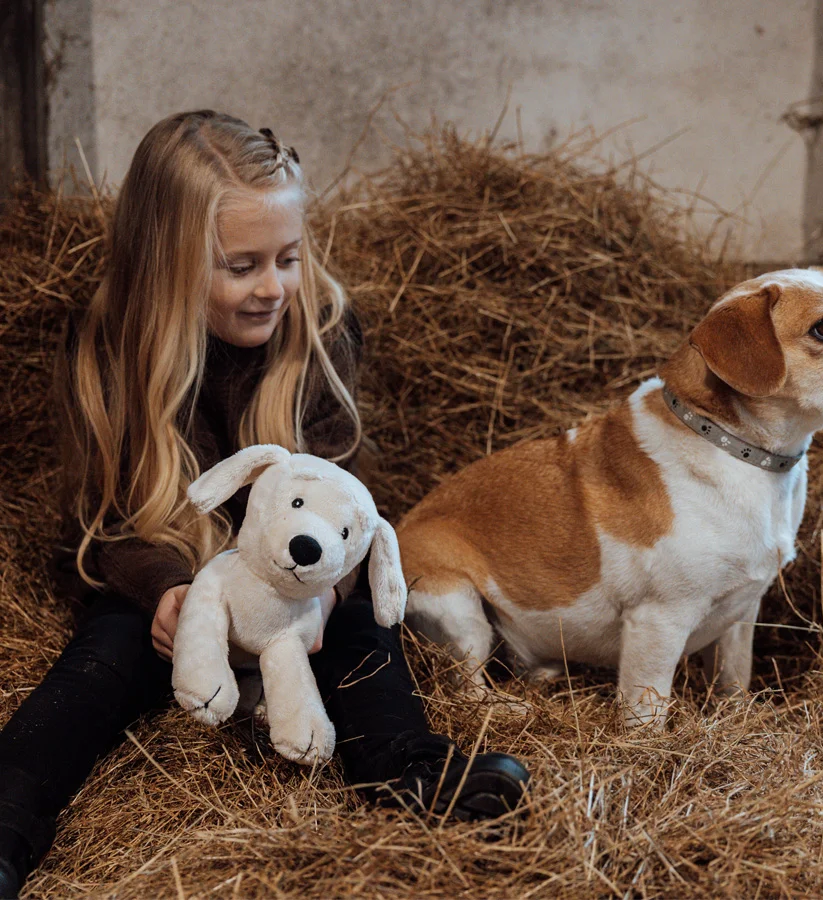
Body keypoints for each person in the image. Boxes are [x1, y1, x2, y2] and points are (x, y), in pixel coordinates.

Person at [0, 111, 529, 898]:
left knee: (363, 633)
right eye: (240, 265)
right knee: (99, 662)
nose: (273, 286)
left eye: (287, 257)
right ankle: (8, 820)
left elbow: (343, 502)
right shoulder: (106, 343)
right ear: (165, 265)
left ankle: (409, 768)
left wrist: (322, 595)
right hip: (173, 577)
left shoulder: (318, 327)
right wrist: (168, 593)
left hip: (298, 584)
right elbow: (103, 519)